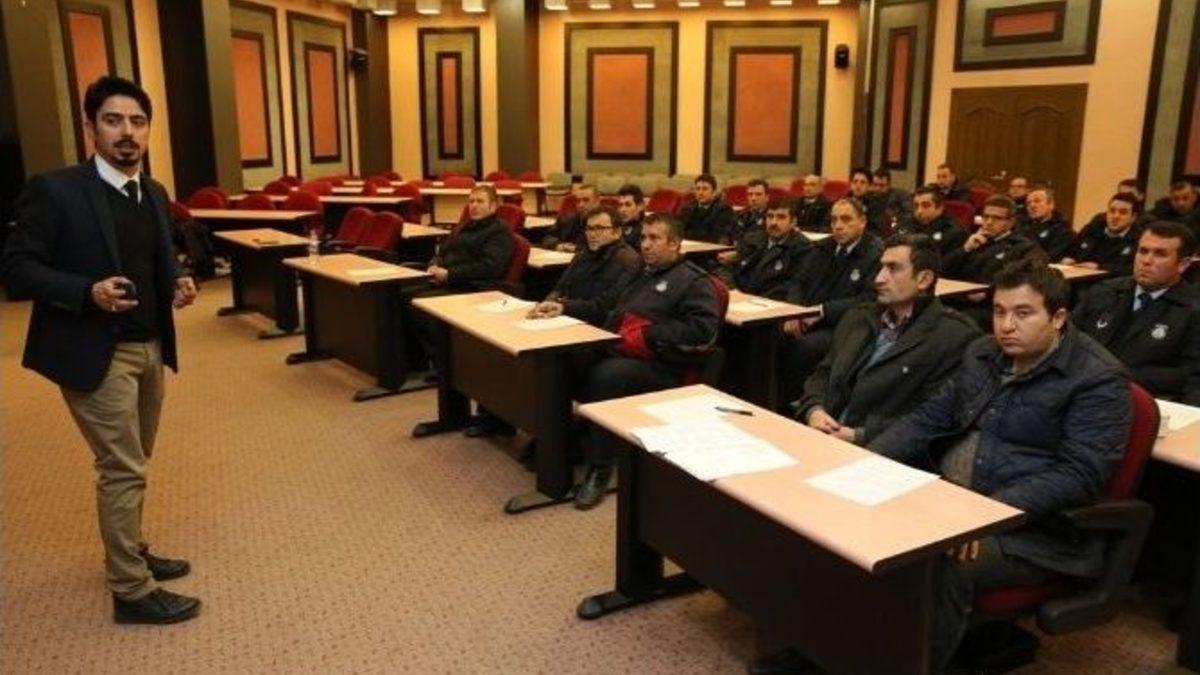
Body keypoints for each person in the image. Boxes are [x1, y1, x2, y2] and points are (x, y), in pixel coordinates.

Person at [0, 76, 201, 624]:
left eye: (137, 121)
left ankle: (129, 548)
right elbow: (16, 268)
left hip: (150, 346)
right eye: (113, 121)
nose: (127, 132)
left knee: (134, 461)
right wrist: (85, 291)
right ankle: (130, 590)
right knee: (122, 466)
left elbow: (158, 257)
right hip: (93, 350)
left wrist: (176, 281)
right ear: (91, 128)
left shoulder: (152, 191)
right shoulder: (55, 190)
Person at [527, 213, 722, 509]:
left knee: (607, 375)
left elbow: (702, 330)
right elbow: (604, 307)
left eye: (654, 238)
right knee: (563, 356)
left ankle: (600, 468)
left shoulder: (694, 281)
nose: (645, 245)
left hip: (662, 364)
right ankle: (560, 442)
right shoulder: (639, 271)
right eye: (643, 237)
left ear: (675, 243)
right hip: (617, 347)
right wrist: (564, 308)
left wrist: (648, 333)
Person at [795, 233, 980, 445]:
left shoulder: (954, 337)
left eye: (893, 269)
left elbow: (934, 417)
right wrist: (814, 410)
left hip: (882, 449)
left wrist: (859, 435)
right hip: (820, 436)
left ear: (924, 279)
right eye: (881, 267)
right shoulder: (859, 316)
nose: (879, 279)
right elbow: (823, 374)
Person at [409, 186, 515, 438]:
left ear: (493, 206)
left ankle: (448, 363)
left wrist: (449, 274)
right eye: (471, 201)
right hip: (451, 283)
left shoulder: (499, 232)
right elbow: (443, 251)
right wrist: (435, 265)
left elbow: (490, 267)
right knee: (403, 293)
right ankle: (440, 362)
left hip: (475, 290)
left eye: (480, 201)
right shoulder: (464, 227)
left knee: (422, 305)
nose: (474, 205)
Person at [1072, 221, 1200, 404]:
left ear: (1183, 264)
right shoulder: (1104, 291)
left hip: (1148, 400)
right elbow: (1067, 339)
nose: (1146, 261)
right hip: (1081, 391)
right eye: (1143, 251)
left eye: (1160, 254)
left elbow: (1192, 375)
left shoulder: (1193, 310)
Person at [780, 197, 884, 402]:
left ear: (862, 222)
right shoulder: (821, 248)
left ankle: (797, 402)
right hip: (805, 315)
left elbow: (869, 299)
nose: (838, 226)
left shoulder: (875, 254)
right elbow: (798, 282)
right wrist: (794, 311)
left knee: (804, 347)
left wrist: (822, 311)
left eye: (846, 219)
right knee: (767, 335)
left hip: (843, 324)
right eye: (834, 220)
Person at [544, 205, 641, 304]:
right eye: (589, 228)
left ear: (617, 232)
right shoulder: (582, 255)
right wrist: (549, 303)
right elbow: (559, 289)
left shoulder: (628, 261)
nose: (592, 235)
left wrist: (564, 306)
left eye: (599, 228)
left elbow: (605, 305)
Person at [943, 195, 1038, 284]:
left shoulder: (1022, 247)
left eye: (997, 218)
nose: (989, 222)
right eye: (986, 217)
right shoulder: (972, 240)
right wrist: (965, 250)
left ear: (1011, 222)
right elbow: (942, 271)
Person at [731, 196, 812, 299]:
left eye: (781, 217)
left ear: (793, 222)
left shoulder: (803, 248)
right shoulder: (752, 239)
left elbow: (793, 286)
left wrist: (755, 299)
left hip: (770, 302)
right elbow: (730, 269)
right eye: (770, 216)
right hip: (738, 298)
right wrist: (731, 290)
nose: (773, 222)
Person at [1061, 193, 1143, 274]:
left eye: (1122, 212)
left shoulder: (1138, 239)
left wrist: (1100, 267)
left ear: (1133, 217)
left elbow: (1131, 268)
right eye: (1112, 211)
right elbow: (1072, 249)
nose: (1116, 216)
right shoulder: (1093, 229)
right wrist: (1068, 258)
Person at [893, 185, 967, 257]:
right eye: (916, 206)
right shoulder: (908, 222)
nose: (919, 211)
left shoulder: (954, 232)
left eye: (926, 205)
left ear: (940, 208)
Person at [717, 178, 770, 270]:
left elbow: (758, 244)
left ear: (767, 197)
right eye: (750, 194)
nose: (753, 198)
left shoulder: (771, 218)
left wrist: (737, 254)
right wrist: (721, 249)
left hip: (753, 263)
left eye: (758, 194)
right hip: (730, 259)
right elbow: (726, 233)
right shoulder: (740, 214)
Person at [1017, 187, 1073, 261]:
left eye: (1037, 201)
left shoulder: (1063, 231)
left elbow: (1049, 257)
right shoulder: (1022, 227)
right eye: (1028, 203)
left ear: (1051, 205)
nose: (1032, 206)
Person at [677, 174, 735, 243]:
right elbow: (679, 232)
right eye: (698, 189)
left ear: (714, 192)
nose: (700, 193)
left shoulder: (724, 210)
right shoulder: (687, 208)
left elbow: (715, 236)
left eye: (705, 189)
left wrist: (690, 234)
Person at [543, 183, 599, 251]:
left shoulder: (604, 224)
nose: (580, 205)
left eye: (586, 200)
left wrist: (575, 248)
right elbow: (547, 238)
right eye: (578, 201)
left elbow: (600, 247)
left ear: (597, 202)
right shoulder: (566, 220)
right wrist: (558, 245)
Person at [868, 167, 910, 232]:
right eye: (875, 185)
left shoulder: (899, 195)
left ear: (888, 185)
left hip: (895, 230)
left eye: (882, 185)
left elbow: (908, 214)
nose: (877, 188)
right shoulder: (869, 197)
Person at [615, 183, 647, 249]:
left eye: (628, 205)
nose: (622, 210)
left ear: (640, 206)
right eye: (620, 205)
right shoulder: (616, 225)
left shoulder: (647, 229)